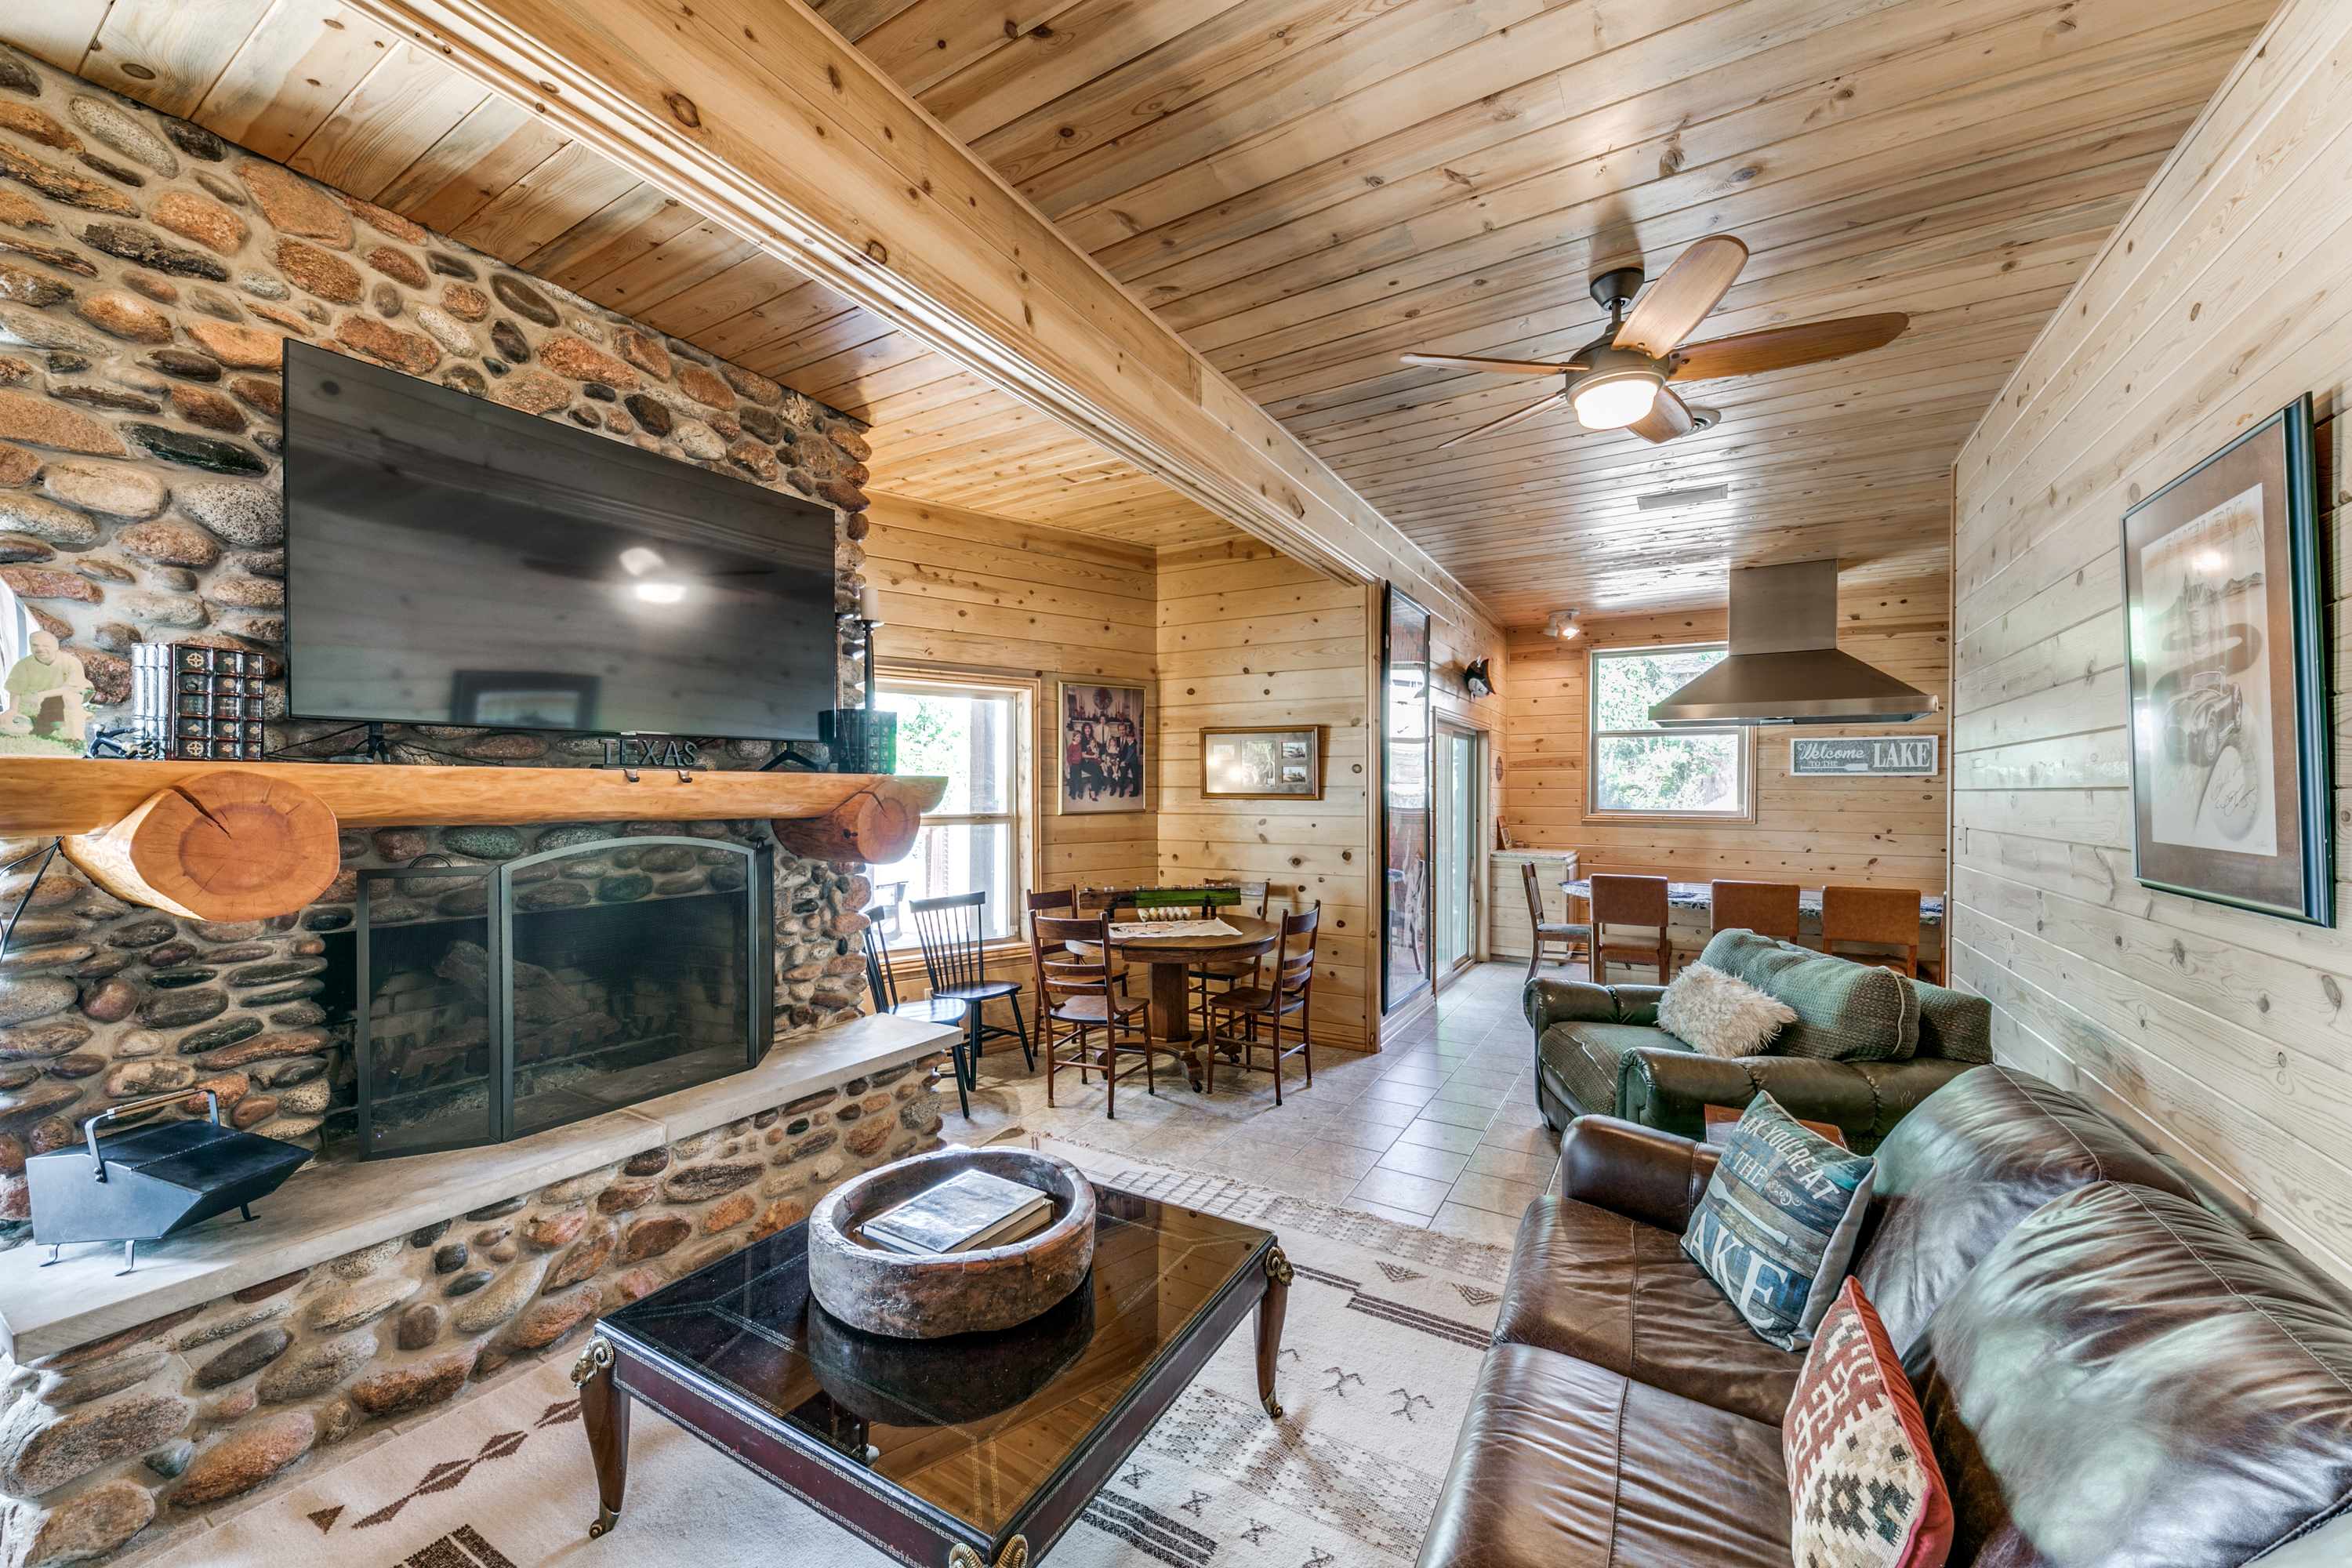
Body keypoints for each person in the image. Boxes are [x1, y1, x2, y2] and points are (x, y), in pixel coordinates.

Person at [0, 631, 89, 745]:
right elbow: (16, 688)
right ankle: (78, 715)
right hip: (51, 697)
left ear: (56, 647)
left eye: (45, 645)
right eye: (35, 645)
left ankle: (76, 740)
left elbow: (74, 688)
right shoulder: (23, 665)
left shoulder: (71, 662)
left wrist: (42, 695)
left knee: (71, 698)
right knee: (54, 725)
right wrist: (12, 709)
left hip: (80, 692)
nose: (40, 649)